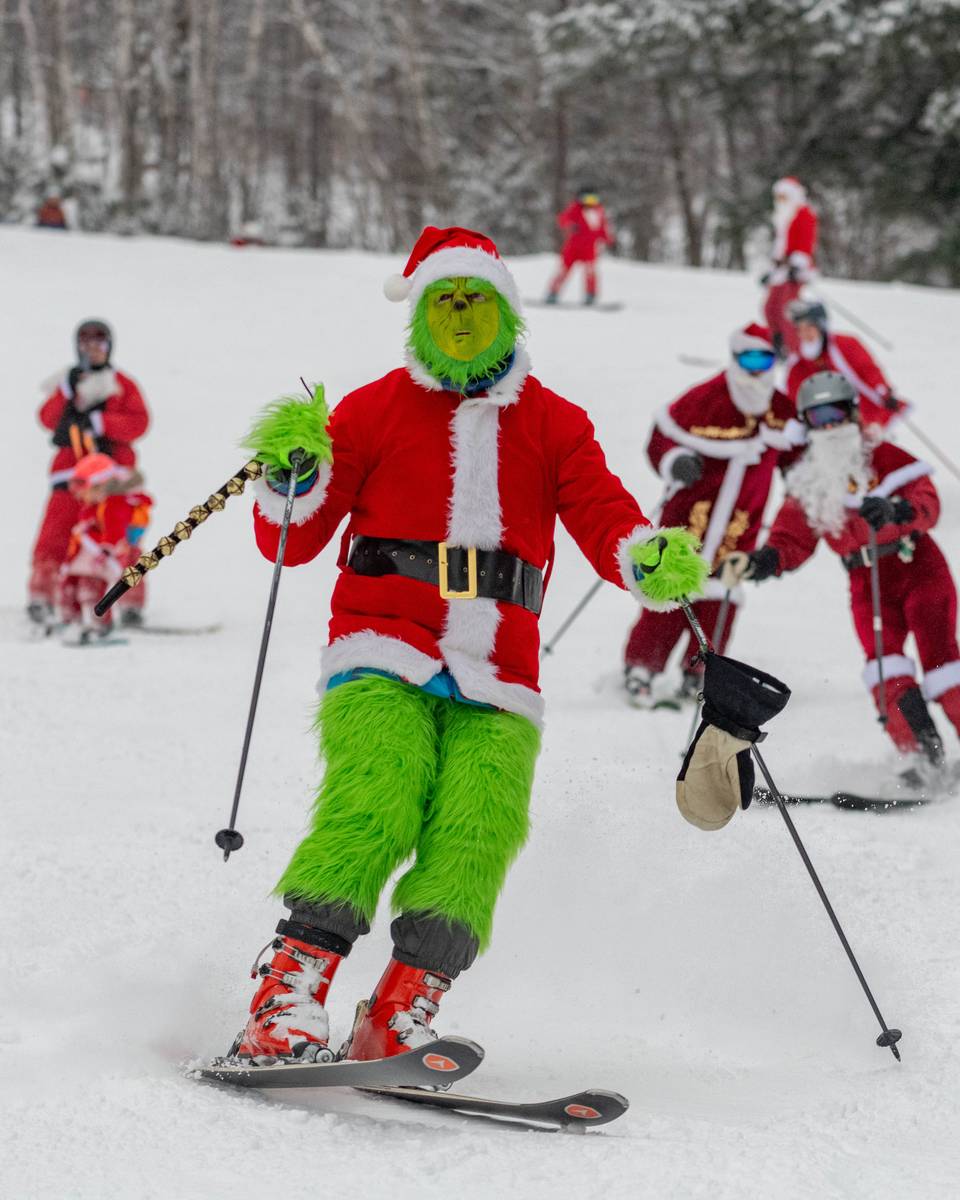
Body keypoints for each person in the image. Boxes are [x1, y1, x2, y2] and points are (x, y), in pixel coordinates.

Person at [222, 225, 706, 1067]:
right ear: (417, 315)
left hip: (501, 672)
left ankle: (398, 1013)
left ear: (507, 314)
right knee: (379, 797)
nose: (457, 315)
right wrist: (288, 474)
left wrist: (644, 555)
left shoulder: (555, 423)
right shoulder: (372, 409)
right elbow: (292, 542)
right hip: (384, 644)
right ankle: (284, 1000)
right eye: (442, 300)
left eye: (473, 300)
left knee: (477, 831)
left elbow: (603, 514)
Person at [721, 371, 960, 769]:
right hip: (866, 581)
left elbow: (927, 504)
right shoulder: (810, 479)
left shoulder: (883, 457)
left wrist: (895, 510)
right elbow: (791, 540)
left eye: (835, 413)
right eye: (818, 417)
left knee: (942, 662)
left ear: (852, 414)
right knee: (883, 666)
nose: (829, 425)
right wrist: (761, 561)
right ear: (807, 424)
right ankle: (922, 757)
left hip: (916, 565)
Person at [623, 324, 805, 707]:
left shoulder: (781, 409)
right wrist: (676, 461)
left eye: (765, 360)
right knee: (670, 590)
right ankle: (643, 665)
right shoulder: (704, 399)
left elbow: (797, 455)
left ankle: (699, 672)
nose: (757, 370)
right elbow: (661, 440)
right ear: (735, 358)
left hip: (742, 523)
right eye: (749, 359)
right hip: (690, 517)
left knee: (722, 597)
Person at [29, 319, 150, 628]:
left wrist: (100, 423)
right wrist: (67, 391)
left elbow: (139, 422)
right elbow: (46, 418)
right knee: (57, 534)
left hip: (113, 480)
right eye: (86, 345)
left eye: (100, 344)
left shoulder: (121, 383)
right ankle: (43, 594)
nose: (93, 351)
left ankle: (130, 598)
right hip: (71, 476)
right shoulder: (68, 383)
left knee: (118, 536)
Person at [57, 454, 152, 645]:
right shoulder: (94, 504)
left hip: (106, 555)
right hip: (91, 555)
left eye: (82, 487)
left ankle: (102, 624)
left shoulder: (115, 504)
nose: (78, 494)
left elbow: (115, 529)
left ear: (99, 484)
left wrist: (106, 549)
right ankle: (72, 621)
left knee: (93, 589)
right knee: (73, 586)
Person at [786, 299, 908, 431]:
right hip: (826, 420)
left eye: (809, 328)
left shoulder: (845, 344)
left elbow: (868, 370)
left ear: (820, 326)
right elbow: (795, 390)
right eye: (800, 329)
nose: (804, 334)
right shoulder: (799, 359)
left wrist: (884, 392)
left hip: (865, 412)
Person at [762, 177, 818, 357]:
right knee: (770, 308)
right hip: (781, 271)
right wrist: (771, 271)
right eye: (778, 197)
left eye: (784, 197)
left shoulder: (804, 214)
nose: (780, 201)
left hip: (795, 271)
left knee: (788, 312)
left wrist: (797, 264)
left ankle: (794, 350)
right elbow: (780, 246)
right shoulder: (783, 217)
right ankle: (778, 345)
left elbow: (806, 243)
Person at [546, 188, 613, 305]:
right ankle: (553, 293)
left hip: (590, 249)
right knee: (563, 271)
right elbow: (563, 219)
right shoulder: (575, 209)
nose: (591, 203)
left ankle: (590, 296)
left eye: (594, 199)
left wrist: (608, 240)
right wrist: (570, 225)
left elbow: (602, 229)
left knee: (590, 272)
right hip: (573, 248)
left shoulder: (599, 211)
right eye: (588, 199)